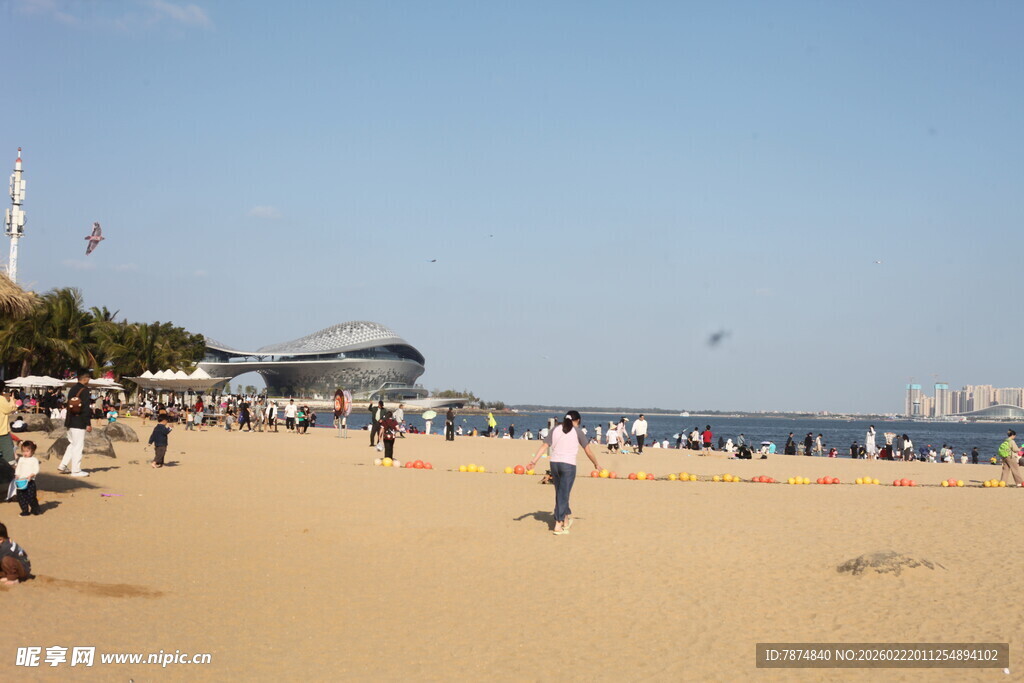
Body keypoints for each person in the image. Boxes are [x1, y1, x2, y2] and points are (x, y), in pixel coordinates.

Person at [526, 410, 601, 535]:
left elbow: (544, 446)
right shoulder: (577, 431)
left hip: (554, 464)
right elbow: (588, 450)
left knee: (560, 493)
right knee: (563, 494)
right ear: (577, 421)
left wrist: (533, 461)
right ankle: (558, 524)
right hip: (568, 465)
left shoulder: (555, 429)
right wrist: (596, 464)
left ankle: (565, 520)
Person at [59, 370, 93, 477]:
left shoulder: (72, 389)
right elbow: (86, 408)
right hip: (79, 421)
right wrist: (88, 423)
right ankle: (76, 470)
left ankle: (63, 465)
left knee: (72, 444)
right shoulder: (85, 391)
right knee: (78, 446)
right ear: (86, 378)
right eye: (89, 378)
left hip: (70, 421)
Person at [13, 440, 42, 516]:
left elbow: (36, 469)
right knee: (21, 497)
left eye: (27, 451)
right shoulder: (21, 459)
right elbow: (18, 468)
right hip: (21, 481)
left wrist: (32, 475)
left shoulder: (34, 460)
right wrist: (17, 475)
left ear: (32, 451)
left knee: (31, 497)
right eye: (23, 451)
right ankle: (25, 511)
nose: (25, 453)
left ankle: (35, 509)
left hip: (30, 481)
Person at [0, 382, 19, 466]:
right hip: (2, 431)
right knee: (9, 459)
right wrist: (12, 401)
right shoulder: (1, 399)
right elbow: (9, 410)